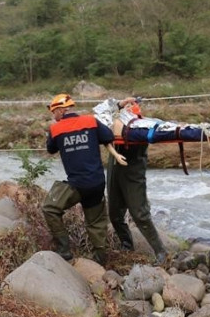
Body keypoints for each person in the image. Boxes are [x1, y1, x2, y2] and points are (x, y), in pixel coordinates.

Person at [42, 93, 126, 266]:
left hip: (76, 185)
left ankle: (64, 249)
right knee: (95, 222)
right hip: (96, 183)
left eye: (53, 112)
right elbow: (108, 137)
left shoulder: (55, 129)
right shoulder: (91, 121)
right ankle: (100, 259)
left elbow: (50, 149)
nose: (53, 115)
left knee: (50, 208)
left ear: (61, 110)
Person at [103, 97, 168, 264]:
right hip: (114, 170)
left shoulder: (142, 128)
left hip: (133, 171)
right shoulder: (114, 122)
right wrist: (121, 103)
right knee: (114, 213)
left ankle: (161, 251)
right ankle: (127, 245)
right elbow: (102, 113)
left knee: (140, 214)